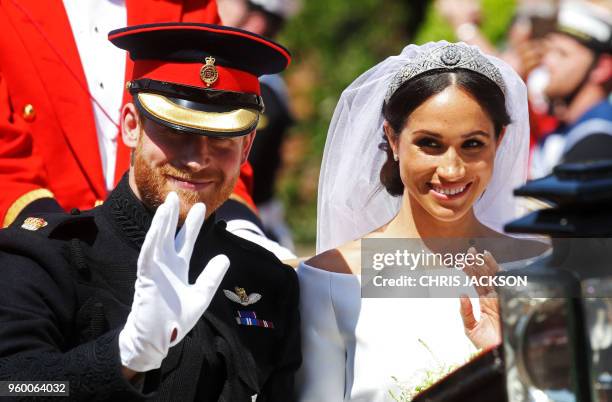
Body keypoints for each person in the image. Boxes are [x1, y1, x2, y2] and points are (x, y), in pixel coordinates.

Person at [0, 23, 300, 401]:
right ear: (130, 126)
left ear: (247, 146)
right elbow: (10, 386)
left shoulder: (268, 278)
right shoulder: (45, 255)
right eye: (175, 132)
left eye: (221, 138)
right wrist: (124, 355)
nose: (197, 159)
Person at [296, 42, 549, 401]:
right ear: (393, 140)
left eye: (473, 144)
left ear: (499, 141)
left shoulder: (541, 270)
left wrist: (502, 360)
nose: (451, 169)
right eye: (430, 144)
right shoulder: (332, 279)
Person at [217, 0, 300, 251]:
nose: (258, 25)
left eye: (271, 22)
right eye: (250, 10)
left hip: (253, 220)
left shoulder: (270, 90)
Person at [530, 0, 612, 178]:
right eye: (549, 51)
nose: (547, 61)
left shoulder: (599, 142)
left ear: (602, 68)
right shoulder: (567, 128)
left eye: (562, 53)